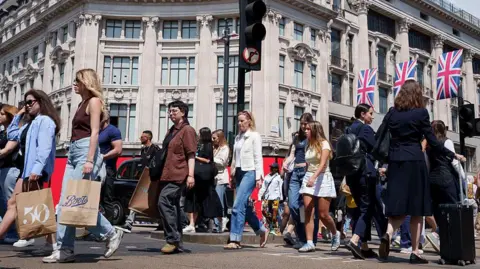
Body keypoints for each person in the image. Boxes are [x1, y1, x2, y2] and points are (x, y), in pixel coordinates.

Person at [378, 80, 465, 264]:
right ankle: (416, 252)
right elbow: (433, 141)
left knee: (399, 204)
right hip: (414, 161)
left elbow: (380, 135)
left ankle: (388, 233)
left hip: (395, 161)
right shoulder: (421, 113)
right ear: (417, 94)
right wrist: (452, 154)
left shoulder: (392, 113)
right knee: (417, 207)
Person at [43, 69, 124, 263]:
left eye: (77, 81)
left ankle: (108, 233)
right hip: (73, 152)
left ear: (86, 82)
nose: (74, 85)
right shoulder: (81, 103)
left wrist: (89, 160)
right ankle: (65, 249)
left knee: (75, 204)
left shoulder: (94, 102)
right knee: (65, 205)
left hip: (86, 152)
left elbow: (95, 133)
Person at [0, 90, 60, 252]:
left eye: (30, 102)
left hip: (35, 170)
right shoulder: (31, 124)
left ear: (41, 102)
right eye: (25, 103)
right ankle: (53, 243)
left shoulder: (45, 121)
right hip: (27, 170)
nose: (27, 106)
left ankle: (53, 243)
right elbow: (12, 134)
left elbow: (44, 148)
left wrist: (38, 168)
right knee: (41, 206)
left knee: (13, 204)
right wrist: (19, 114)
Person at [344, 103, 387, 259]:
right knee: (366, 209)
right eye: (370, 113)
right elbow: (377, 149)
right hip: (365, 173)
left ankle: (364, 246)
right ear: (362, 114)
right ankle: (355, 241)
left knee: (359, 209)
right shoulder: (365, 129)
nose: (372, 116)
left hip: (351, 174)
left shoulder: (348, 129)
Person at [224, 110, 268, 249]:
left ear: (249, 121)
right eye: (238, 121)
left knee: (237, 205)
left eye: (242, 120)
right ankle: (261, 230)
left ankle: (235, 239)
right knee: (244, 206)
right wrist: (232, 171)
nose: (239, 123)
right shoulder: (237, 138)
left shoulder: (254, 136)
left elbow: (258, 157)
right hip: (239, 172)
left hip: (250, 171)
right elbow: (235, 157)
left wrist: (259, 177)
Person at [425, 120, 467, 253]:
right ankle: (450, 241)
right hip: (446, 178)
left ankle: (444, 244)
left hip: (433, 180)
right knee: (454, 209)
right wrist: (463, 176)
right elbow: (454, 161)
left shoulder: (429, 145)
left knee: (439, 211)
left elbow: (427, 164)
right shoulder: (446, 141)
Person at [298, 121, 340, 252]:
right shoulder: (308, 144)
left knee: (323, 214)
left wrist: (313, 177)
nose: (305, 131)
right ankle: (309, 242)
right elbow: (308, 163)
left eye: (308, 129)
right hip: (309, 177)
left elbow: (322, 164)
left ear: (315, 130)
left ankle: (335, 233)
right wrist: (307, 176)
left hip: (322, 178)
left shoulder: (324, 144)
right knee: (308, 210)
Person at [283, 113, 319, 249]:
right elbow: (292, 153)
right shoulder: (297, 137)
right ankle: (302, 236)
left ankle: (309, 239)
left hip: (306, 173)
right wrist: (285, 163)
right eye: (302, 123)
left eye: (306, 123)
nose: (304, 126)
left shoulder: (313, 138)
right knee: (293, 205)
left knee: (308, 208)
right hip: (295, 174)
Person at [117, 130, 160, 233]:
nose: (140, 138)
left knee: (155, 201)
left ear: (148, 138)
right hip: (142, 180)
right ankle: (129, 223)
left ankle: (161, 222)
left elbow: (158, 164)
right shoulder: (143, 150)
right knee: (136, 199)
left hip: (152, 180)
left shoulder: (155, 149)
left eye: (143, 136)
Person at [183, 127, 222, 233]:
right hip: (199, 176)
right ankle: (193, 223)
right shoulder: (199, 145)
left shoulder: (208, 145)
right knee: (194, 199)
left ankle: (217, 222)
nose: (198, 135)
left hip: (203, 176)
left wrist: (195, 157)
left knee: (207, 198)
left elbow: (208, 160)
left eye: (200, 133)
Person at [0, 104, 23, 246]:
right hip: (2, 169)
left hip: (11, 170)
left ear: (9, 115)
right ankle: (8, 231)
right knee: (2, 203)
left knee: (11, 203)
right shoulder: (2, 133)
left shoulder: (14, 132)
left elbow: (7, 150)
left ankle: (16, 233)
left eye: (2, 114)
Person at [98, 113, 122, 223]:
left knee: (106, 199)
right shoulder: (95, 131)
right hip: (95, 169)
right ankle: (94, 229)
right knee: (95, 199)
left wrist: (102, 157)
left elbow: (118, 150)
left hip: (108, 169)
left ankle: (109, 229)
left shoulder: (113, 130)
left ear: (105, 118)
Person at [212, 129, 230, 233]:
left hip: (221, 177)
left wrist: (210, 159)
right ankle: (216, 223)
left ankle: (220, 223)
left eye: (214, 138)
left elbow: (222, 162)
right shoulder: (214, 148)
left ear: (220, 138)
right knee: (214, 201)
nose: (213, 140)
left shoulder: (225, 148)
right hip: (213, 177)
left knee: (219, 201)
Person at [259, 163, 283, 235]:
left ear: (276, 169)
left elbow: (280, 188)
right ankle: (271, 224)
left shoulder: (279, 177)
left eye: (273, 168)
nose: (271, 169)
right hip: (267, 197)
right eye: (271, 167)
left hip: (276, 198)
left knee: (275, 212)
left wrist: (281, 198)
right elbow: (264, 187)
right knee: (264, 211)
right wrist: (260, 195)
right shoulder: (267, 177)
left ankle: (274, 228)